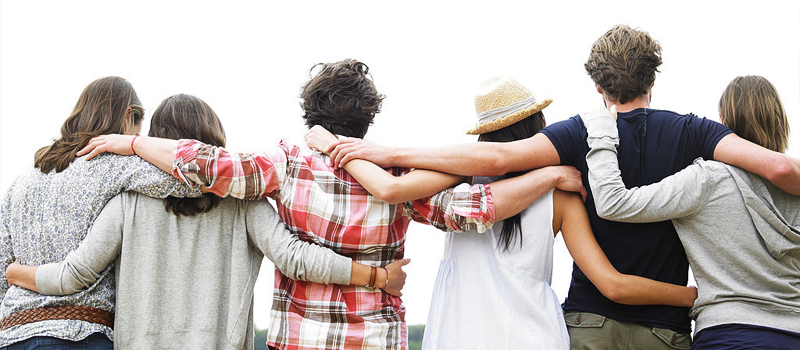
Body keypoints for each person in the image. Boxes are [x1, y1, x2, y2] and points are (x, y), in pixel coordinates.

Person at [319, 26, 800, 348]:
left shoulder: (575, 135)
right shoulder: (694, 134)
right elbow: (776, 171)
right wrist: (694, 296)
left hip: (569, 326)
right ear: (653, 77)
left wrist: (383, 152)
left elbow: (495, 159)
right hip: (654, 331)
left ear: (599, 87)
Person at [75, 59, 563, 349]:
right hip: (376, 339)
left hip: (297, 339)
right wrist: (547, 171)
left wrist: (133, 144)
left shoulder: (286, 163)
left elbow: (208, 163)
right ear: (368, 118)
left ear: (311, 113)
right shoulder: (394, 175)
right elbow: (476, 208)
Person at [304, 76, 698, 349]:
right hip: (536, 338)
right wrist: (693, 296)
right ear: (539, 128)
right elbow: (612, 285)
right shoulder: (560, 195)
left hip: (458, 337)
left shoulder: (455, 183)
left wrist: (330, 142)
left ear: (484, 137)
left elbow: (391, 188)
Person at [4, 94, 409, 349]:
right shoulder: (244, 205)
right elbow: (295, 258)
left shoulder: (127, 204)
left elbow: (75, 274)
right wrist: (375, 277)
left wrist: (14, 271)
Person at [584, 75, 799, 349]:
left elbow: (614, 202)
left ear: (722, 121)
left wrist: (602, 131)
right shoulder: (796, 188)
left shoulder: (708, 180)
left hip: (727, 335)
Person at [0, 77, 202, 349]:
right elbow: (194, 179)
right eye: (139, 127)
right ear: (129, 115)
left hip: (14, 335)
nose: (139, 137)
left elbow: (3, 268)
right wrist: (136, 147)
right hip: (81, 334)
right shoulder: (112, 164)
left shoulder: (21, 182)